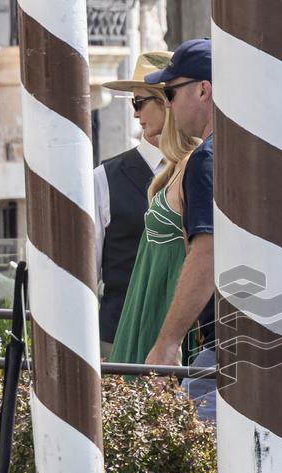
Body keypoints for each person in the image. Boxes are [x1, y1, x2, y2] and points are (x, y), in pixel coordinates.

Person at [140, 39, 217, 419]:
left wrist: (168, 342)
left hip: (229, 349)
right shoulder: (253, 150)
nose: (166, 103)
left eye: (170, 92)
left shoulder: (207, 158)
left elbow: (207, 252)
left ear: (203, 89)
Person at [107, 100, 200, 366]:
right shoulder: (174, 169)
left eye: (139, 101)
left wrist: (174, 339)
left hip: (165, 309)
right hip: (142, 306)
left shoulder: (194, 165)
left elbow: (198, 251)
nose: (135, 112)